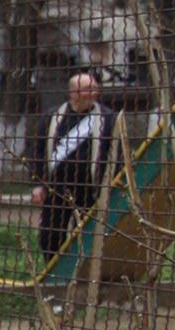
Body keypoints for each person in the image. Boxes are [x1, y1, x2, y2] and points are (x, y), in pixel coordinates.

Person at [28, 72, 119, 267]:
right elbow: (38, 152)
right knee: (50, 236)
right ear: (73, 93)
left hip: (91, 191)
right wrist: (38, 184)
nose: (93, 93)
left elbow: (116, 155)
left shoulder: (108, 119)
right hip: (56, 189)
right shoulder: (52, 117)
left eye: (94, 88)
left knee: (90, 237)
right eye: (87, 89)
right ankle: (54, 272)